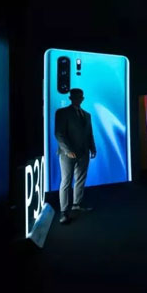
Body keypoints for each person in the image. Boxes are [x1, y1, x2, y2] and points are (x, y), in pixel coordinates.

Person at [54, 88, 96, 225]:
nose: (78, 99)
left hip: (84, 152)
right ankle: (64, 212)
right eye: (75, 96)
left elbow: (89, 133)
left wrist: (93, 147)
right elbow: (59, 133)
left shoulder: (87, 115)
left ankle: (77, 204)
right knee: (66, 181)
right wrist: (67, 150)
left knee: (80, 179)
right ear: (70, 98)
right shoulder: (62, 112)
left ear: (82, 98)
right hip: (68, 154)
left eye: (80, 97)